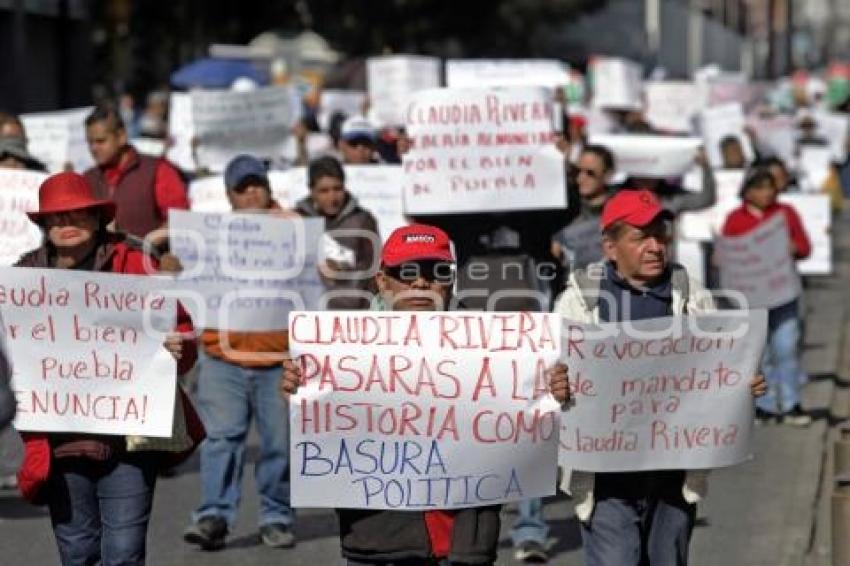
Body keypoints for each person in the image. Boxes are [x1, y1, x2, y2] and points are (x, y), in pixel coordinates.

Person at [280, 223, 570, 566]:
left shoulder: (498, 350)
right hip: (380, 541)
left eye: (437, 271)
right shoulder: (339, 353)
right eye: (406, 272)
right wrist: (302, 392)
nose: (421, 282)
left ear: (451, 280)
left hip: (464, 542)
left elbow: (527, 437)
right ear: (381, 280)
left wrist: (552, 396)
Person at [555, 189, 766, 566]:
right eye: (641, 237)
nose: (655, 246)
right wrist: (556, 384)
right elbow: (552, 375)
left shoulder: (691, 295)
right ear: (610, 247)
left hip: (672, 473)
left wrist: (742, 385)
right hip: (606, 479)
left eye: (661, 235)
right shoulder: (579, 301)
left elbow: (718, 370)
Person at [15, 171, 202, 565]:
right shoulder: (22, 279)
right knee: (77, 550)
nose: (66, 225)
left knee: (124, 552)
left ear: (97, 218)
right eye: (56, 217)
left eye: (77, 215)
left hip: (129, 436)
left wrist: (175, 345)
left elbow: (183, 331)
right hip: (60, 438)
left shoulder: (135, 264)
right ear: (44, 225)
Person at [182, 155, 297, 551]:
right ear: (229, 195)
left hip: (278, 360)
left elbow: (334, 267)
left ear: (268, 189)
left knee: (278, 444)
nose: (250, 194)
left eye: (256, 186)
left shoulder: (295, 226)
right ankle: (214, 516)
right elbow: (175, 268)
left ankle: (276, 516)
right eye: (241, 188)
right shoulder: (211, 233)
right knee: (220, 440)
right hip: (222, 358)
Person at [721, 167, 812, 426]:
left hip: (783, 293)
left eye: (769, 187)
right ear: (747, 192)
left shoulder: (785, 214)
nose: (766, 193)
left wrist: (796, 248)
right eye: (759, 187)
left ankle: (792, 402)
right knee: (761, 353)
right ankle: (765, 404)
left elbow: (805, 247)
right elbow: (729, 255)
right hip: (752, 299)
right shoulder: (735, 220)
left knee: (786, 347)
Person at [83, 105, 190, 242]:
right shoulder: (88, 178)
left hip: (147, 260)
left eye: (101, 141)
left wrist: (148, 243)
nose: (94, 148)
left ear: (121, 136)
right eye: (90, 142)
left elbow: (179, 218)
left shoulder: (156, 169)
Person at [295, 156, 380, 310]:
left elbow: (375, 273)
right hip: (309, 312)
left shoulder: (363, 221)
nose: (332, 197)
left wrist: (343, 265)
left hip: (352, 313)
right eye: (324, 191)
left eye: (337, 189)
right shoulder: (297, 220)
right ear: (311, 190)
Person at [552, 144, 616, 274]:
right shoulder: (564, 211)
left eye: (590, 173)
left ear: (608, 175)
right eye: (577, 171)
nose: (581, 178)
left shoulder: (621, 212)